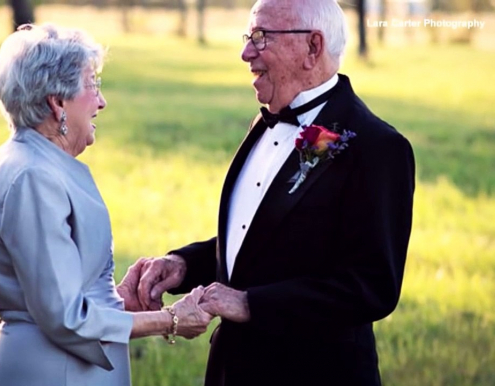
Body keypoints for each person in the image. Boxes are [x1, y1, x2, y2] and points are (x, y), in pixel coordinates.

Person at [132, 0, 416, 385]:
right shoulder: (265, 123)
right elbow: (265, 238)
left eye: (261, 37)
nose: (246, 52)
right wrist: (184, 265)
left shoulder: (376, 146)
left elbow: (370, 286)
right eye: (249, 36)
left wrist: (250, 304)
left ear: (312, 47)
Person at [0, 23, 212, 386]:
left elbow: (55, 291)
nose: (101, 101)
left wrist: (117, 300)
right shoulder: (33, 177)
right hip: (52, 372)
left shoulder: (36, 163)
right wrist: (171, 319)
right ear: (57, 102)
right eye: (92, 85)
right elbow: (65, 317)